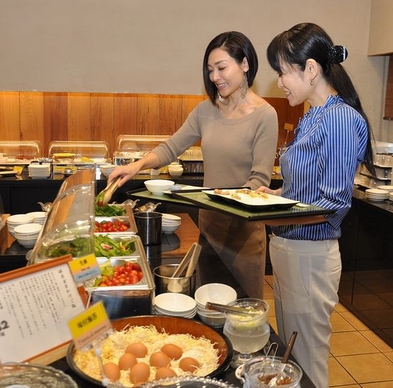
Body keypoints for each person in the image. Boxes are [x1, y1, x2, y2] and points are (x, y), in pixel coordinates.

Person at [108, 31, 278, 298]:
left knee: (242, 313)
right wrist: (135, 166)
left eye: (221, 68)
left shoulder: (265, 115)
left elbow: (258, 181)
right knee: (207, 306)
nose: (214, 77)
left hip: (242, 234)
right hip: (209, 228)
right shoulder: (205, 111)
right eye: (210, 70)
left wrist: (224, 201)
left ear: (245, 64)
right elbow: (171, 147)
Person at [259, 23, 375, 387]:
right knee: (291, 355)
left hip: (309, 253)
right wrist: (271, 198)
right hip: (289, 247)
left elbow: (333, 202)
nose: (280, 81)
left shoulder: (340, 118)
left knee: (307, 361)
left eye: (283, 71)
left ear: (310, 69)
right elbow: (302, 191)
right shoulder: (312, 115)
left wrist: (269, 211)